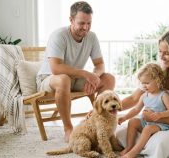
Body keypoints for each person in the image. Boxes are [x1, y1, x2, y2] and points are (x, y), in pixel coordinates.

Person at [116, 28, 169, 158]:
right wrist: (102, 110)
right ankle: (138, 147)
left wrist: (157, 117)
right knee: (121, 133)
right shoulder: (159, 70)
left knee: (159, 144)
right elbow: (135, 98)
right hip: (154, 122)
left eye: (167, 53)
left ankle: (138, 150)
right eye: (160, 52)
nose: (161, 57)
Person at [36, 1, 115, 142]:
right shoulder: (59, 35)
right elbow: (56, 68)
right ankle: (68, 129)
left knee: (109, 79)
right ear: (71, 20)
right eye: (81, 23)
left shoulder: (92, 37)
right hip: (49, 78)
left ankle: (101, 121)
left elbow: (100, 64)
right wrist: (85, 74)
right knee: (63, 79)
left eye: (89, 23)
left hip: (73, 79)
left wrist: (94, 77)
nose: (85, 28)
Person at [118, 63, 169, 158]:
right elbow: (136, 109)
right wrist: (124, 117)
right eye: (142, 83)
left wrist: (160, 115)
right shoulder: (144, 95)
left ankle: (134, 152)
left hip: (160, 124)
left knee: (147, 129)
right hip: (146, 122)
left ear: (158, 80)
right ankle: (129, 147)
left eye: (147, 83)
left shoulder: (163, 95)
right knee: (133, 121)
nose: (144, 86)